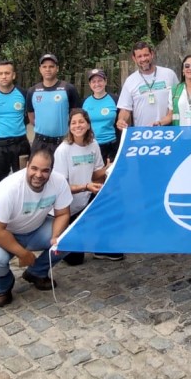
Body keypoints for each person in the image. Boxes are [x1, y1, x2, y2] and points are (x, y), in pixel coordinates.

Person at [0, 147, 72, 307]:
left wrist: (56, 236)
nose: (39, 175)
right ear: (27, 165)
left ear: (51, 170)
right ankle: (4, 285)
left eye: (45, 170)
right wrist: (23, 254)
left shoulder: (59, 181)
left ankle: (36, 272)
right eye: (34, 168)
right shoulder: (8, 188)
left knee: (68, 239)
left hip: (35, 229)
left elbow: (63, 214)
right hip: (3, 233)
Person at [53, 109, 110, 265]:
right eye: (73, 123)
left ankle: (101, 246)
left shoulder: (93, 144)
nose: (77, 126)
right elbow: (61, 188)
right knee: (75, 260)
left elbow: (96, 174)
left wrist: (108, 168)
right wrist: (85, 186)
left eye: (81, 122)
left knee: (108, 203)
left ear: (88, 124)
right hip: (67, 207)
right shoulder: (63, 150)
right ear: (69, 127)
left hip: (86, 199)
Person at [26, 54, 81, 154]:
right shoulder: (32, 91)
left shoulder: (68, 89)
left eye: (51, 66)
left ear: (57, 68)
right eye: (44, 67)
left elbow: (77, 115)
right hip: (39, 142)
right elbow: (31, 117)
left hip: (63, 141)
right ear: (40, 69)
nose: (48, 69)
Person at [116, 42, 178, 128]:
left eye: (146, 55)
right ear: (134, 59)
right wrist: (121, 120)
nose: (143, 59)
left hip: (167, 129)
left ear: (152, 54)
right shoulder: (130, 81)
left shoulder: (169, 74)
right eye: (139, 56)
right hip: (142, 131)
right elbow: (125, 109)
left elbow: (178, 100)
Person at [82, 69, 120, 164]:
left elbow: (122, 122)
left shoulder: (115, 100)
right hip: (90, 146)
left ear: (105, 81)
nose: (97, 84)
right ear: (89, 84)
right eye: (93, 81)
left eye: (100, 81)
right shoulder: (84, 102)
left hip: (112, 147)